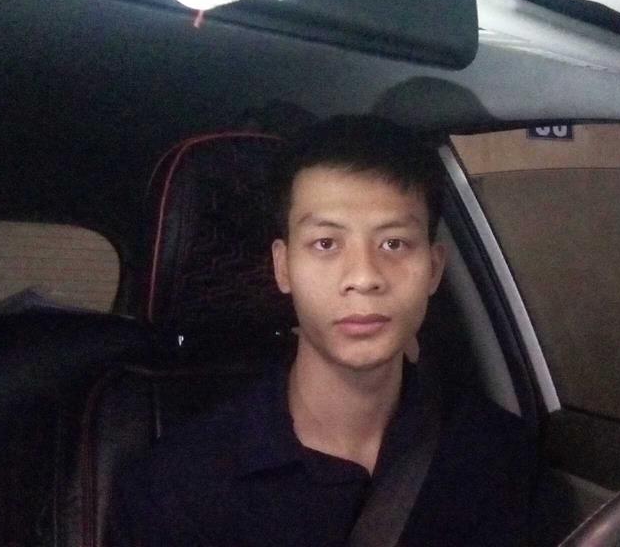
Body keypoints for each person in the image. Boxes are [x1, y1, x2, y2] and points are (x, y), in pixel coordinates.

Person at [110, 116, 535, 546]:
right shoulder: (177, 489)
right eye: (326, 244)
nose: (364, 277)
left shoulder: (496, 456)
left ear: (434, 268)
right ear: (283, 267)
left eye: (394, 243)